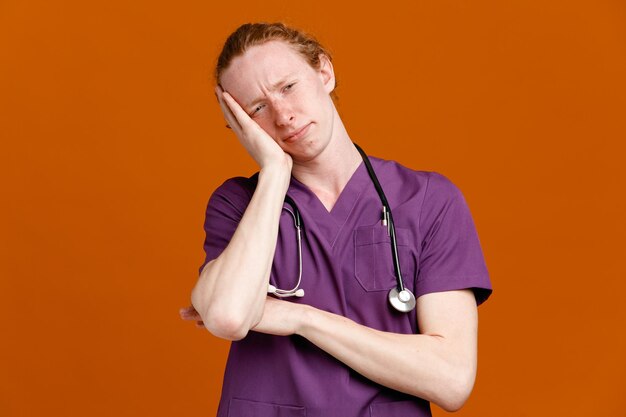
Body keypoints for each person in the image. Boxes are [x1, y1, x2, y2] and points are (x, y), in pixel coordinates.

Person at [179, 22, 492, 417]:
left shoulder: (429, 201)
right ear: (241, 127)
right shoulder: (239, 204)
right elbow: (227, 316)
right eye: (256, 108)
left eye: (287, 87)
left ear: (324, 73)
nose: (283, 115)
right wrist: (275, 171)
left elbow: (451, 379)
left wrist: (299, 318)